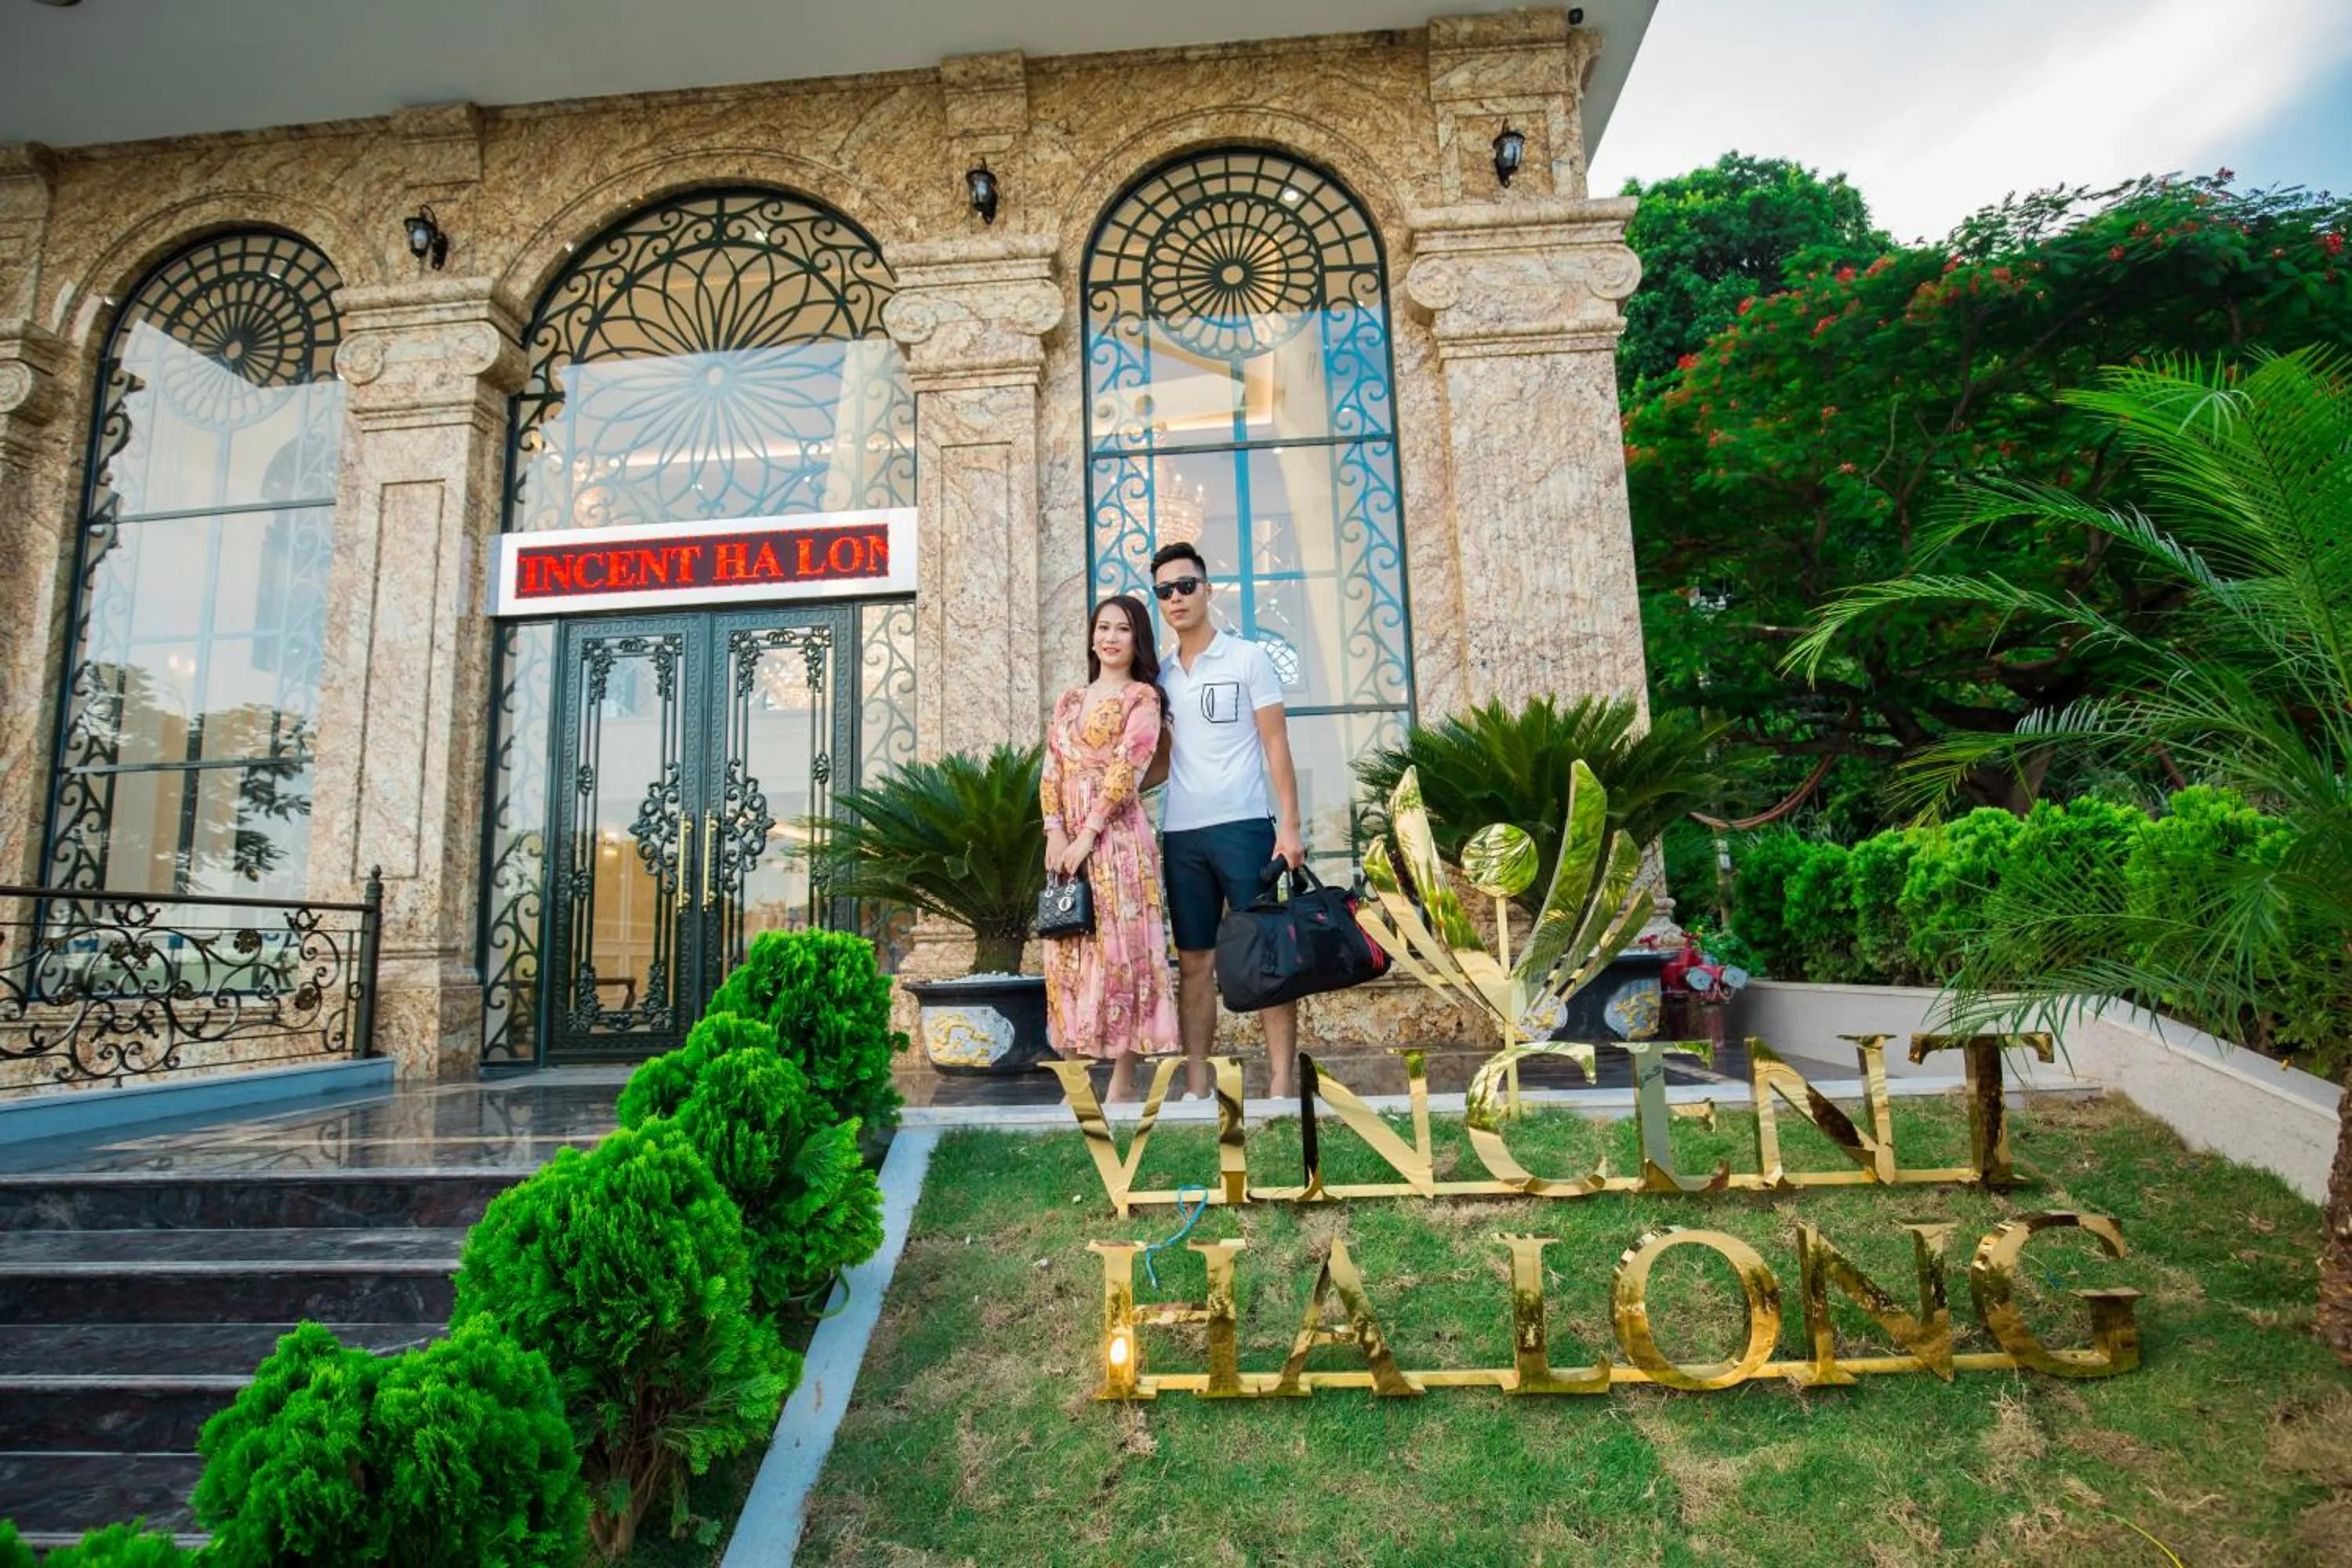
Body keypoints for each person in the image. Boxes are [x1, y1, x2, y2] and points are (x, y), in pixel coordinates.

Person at [1146, 542, 1307, 1101]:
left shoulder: (1247, 658)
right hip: (1183, 836)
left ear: (1208, 590)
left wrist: (1290, 827)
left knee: (1265, 954)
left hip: (1244, 828)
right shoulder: (1160, 677)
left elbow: (1275, 745)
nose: (1176, 598)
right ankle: (1196, 1083)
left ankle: (1282, 1082)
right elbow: (1162, 762)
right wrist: (1097, 793)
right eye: (1165, 591)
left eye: (1186, 586)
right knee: (1194, 961)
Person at [1040, 593, 1181, 1102]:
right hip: (1067, 843)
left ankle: (1123, 1080)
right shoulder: (1069, 701)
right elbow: (1052, 767)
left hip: (1117, 839)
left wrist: (1087, 833)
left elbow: (1128, 770)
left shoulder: (1142, 698)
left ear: (1136, 638)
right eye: (1103, 628)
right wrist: (1055, 832)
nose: (1111, 638)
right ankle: (1074, 1080)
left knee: (1124, 950)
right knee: (1068, 949)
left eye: (1123, 629)